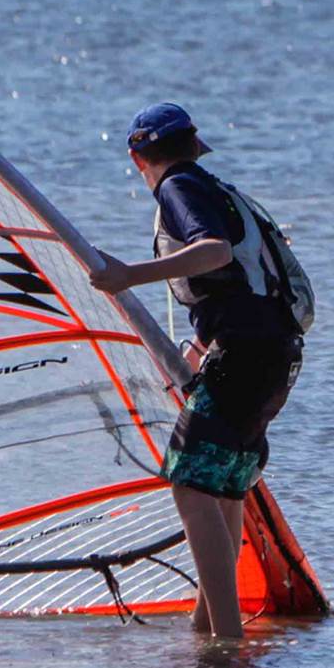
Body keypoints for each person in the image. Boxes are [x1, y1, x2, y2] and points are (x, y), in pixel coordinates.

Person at [87, 102, 304, 640]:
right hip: (274, 356)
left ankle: (224, 641)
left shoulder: (178, 188)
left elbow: (213, 253)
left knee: (189, 481)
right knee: (223, 486)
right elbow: (242, 286)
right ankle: (208, 625)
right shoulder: (215, 187)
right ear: (194, 145)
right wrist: (198, 349)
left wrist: (131, 275)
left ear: (139, 158)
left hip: (247, 356)